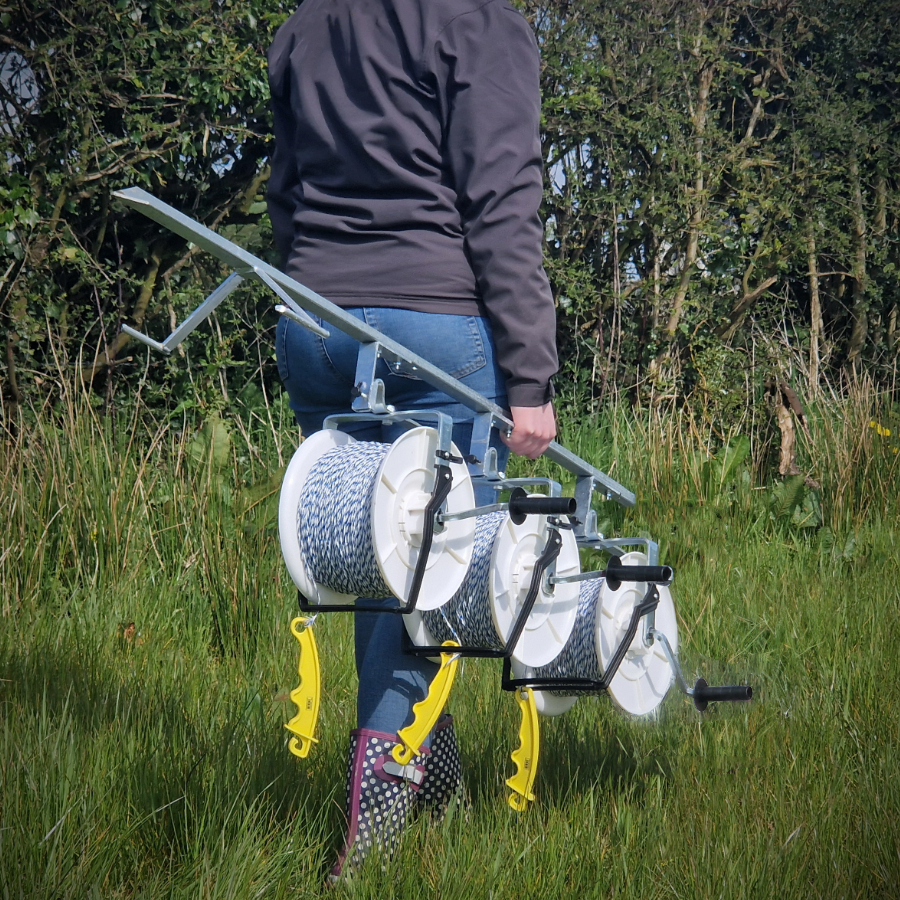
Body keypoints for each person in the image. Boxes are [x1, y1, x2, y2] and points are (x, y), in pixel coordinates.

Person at [267, 0, 558, 879]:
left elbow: (283, 191)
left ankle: (434, 780)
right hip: (430, 327)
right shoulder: (479, 22)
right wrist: (531, 376)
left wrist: (310, 300)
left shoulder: (306, 25)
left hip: (310, 321)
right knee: (428, 560)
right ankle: (377, 829)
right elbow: (503, 199)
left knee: (382, 555)